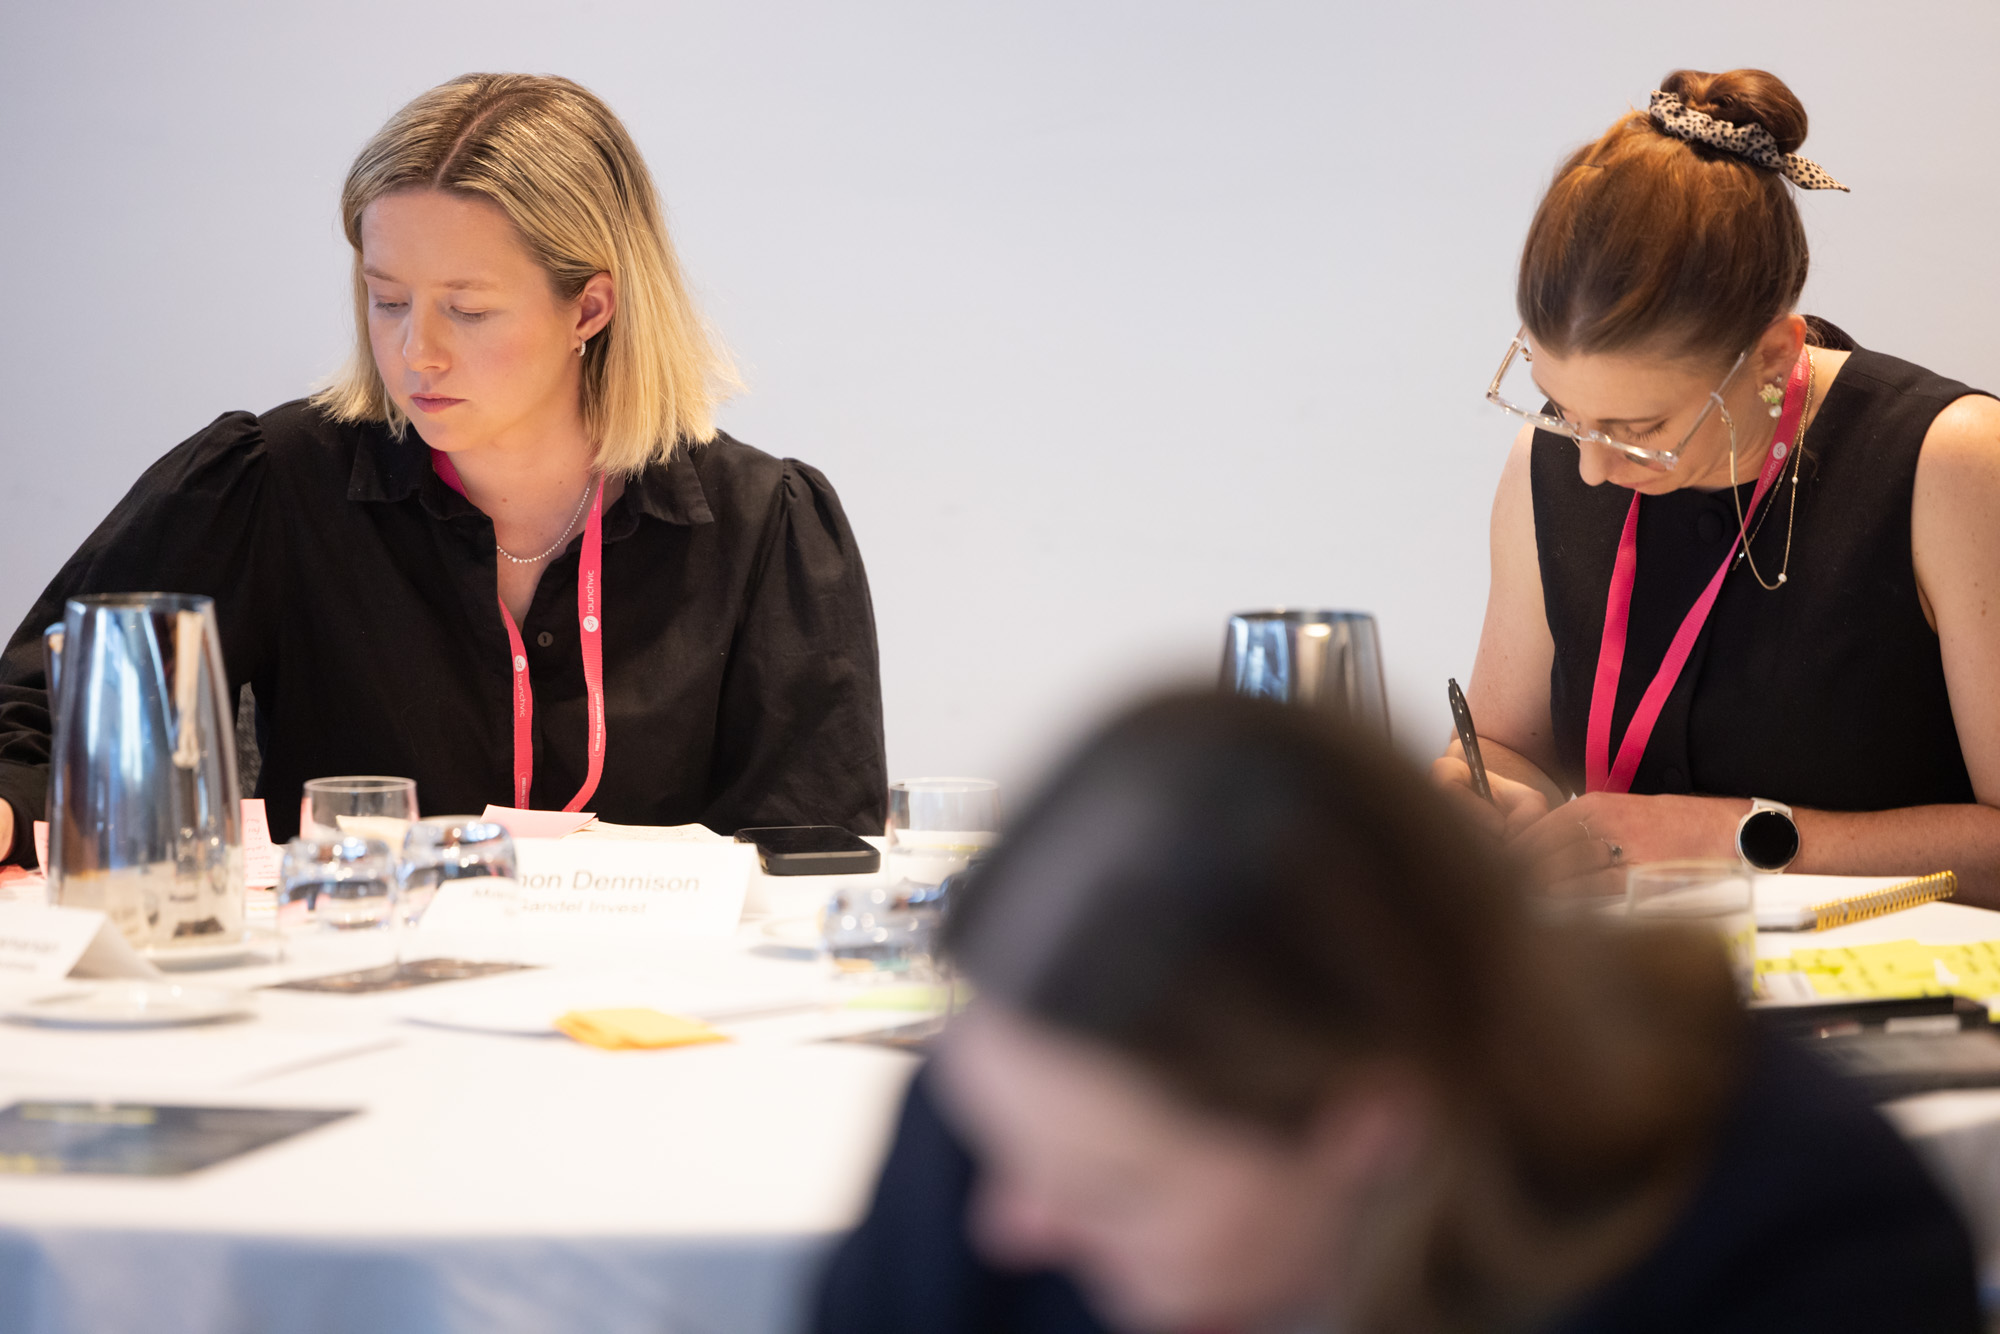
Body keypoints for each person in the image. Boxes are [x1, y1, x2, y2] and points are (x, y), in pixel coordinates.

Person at [816, 692, 1981, 1333]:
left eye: (1122, 1186)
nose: (1010, 1225)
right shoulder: (1012, 1116)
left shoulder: (1781, 1226)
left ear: (1375, 1122)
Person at [0, 73, 886, 861]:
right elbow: (37, 721)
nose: (415, 352)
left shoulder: (763, 526)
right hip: (351, 978)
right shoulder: (270, 482)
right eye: (387, 300)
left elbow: (814, 849)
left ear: (589, 308)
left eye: (467, 310)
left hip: (654, 995)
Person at [1430, 69, 2000, 902]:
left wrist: (1734, 837)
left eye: (1639, 428)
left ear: (1772, 355)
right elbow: (1507, 750)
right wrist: (1484, 794)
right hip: (1630, 974)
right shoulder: (1549, 459)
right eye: (1562, 407)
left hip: (1892, 978)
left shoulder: (1950, 461)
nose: (1589, 466)